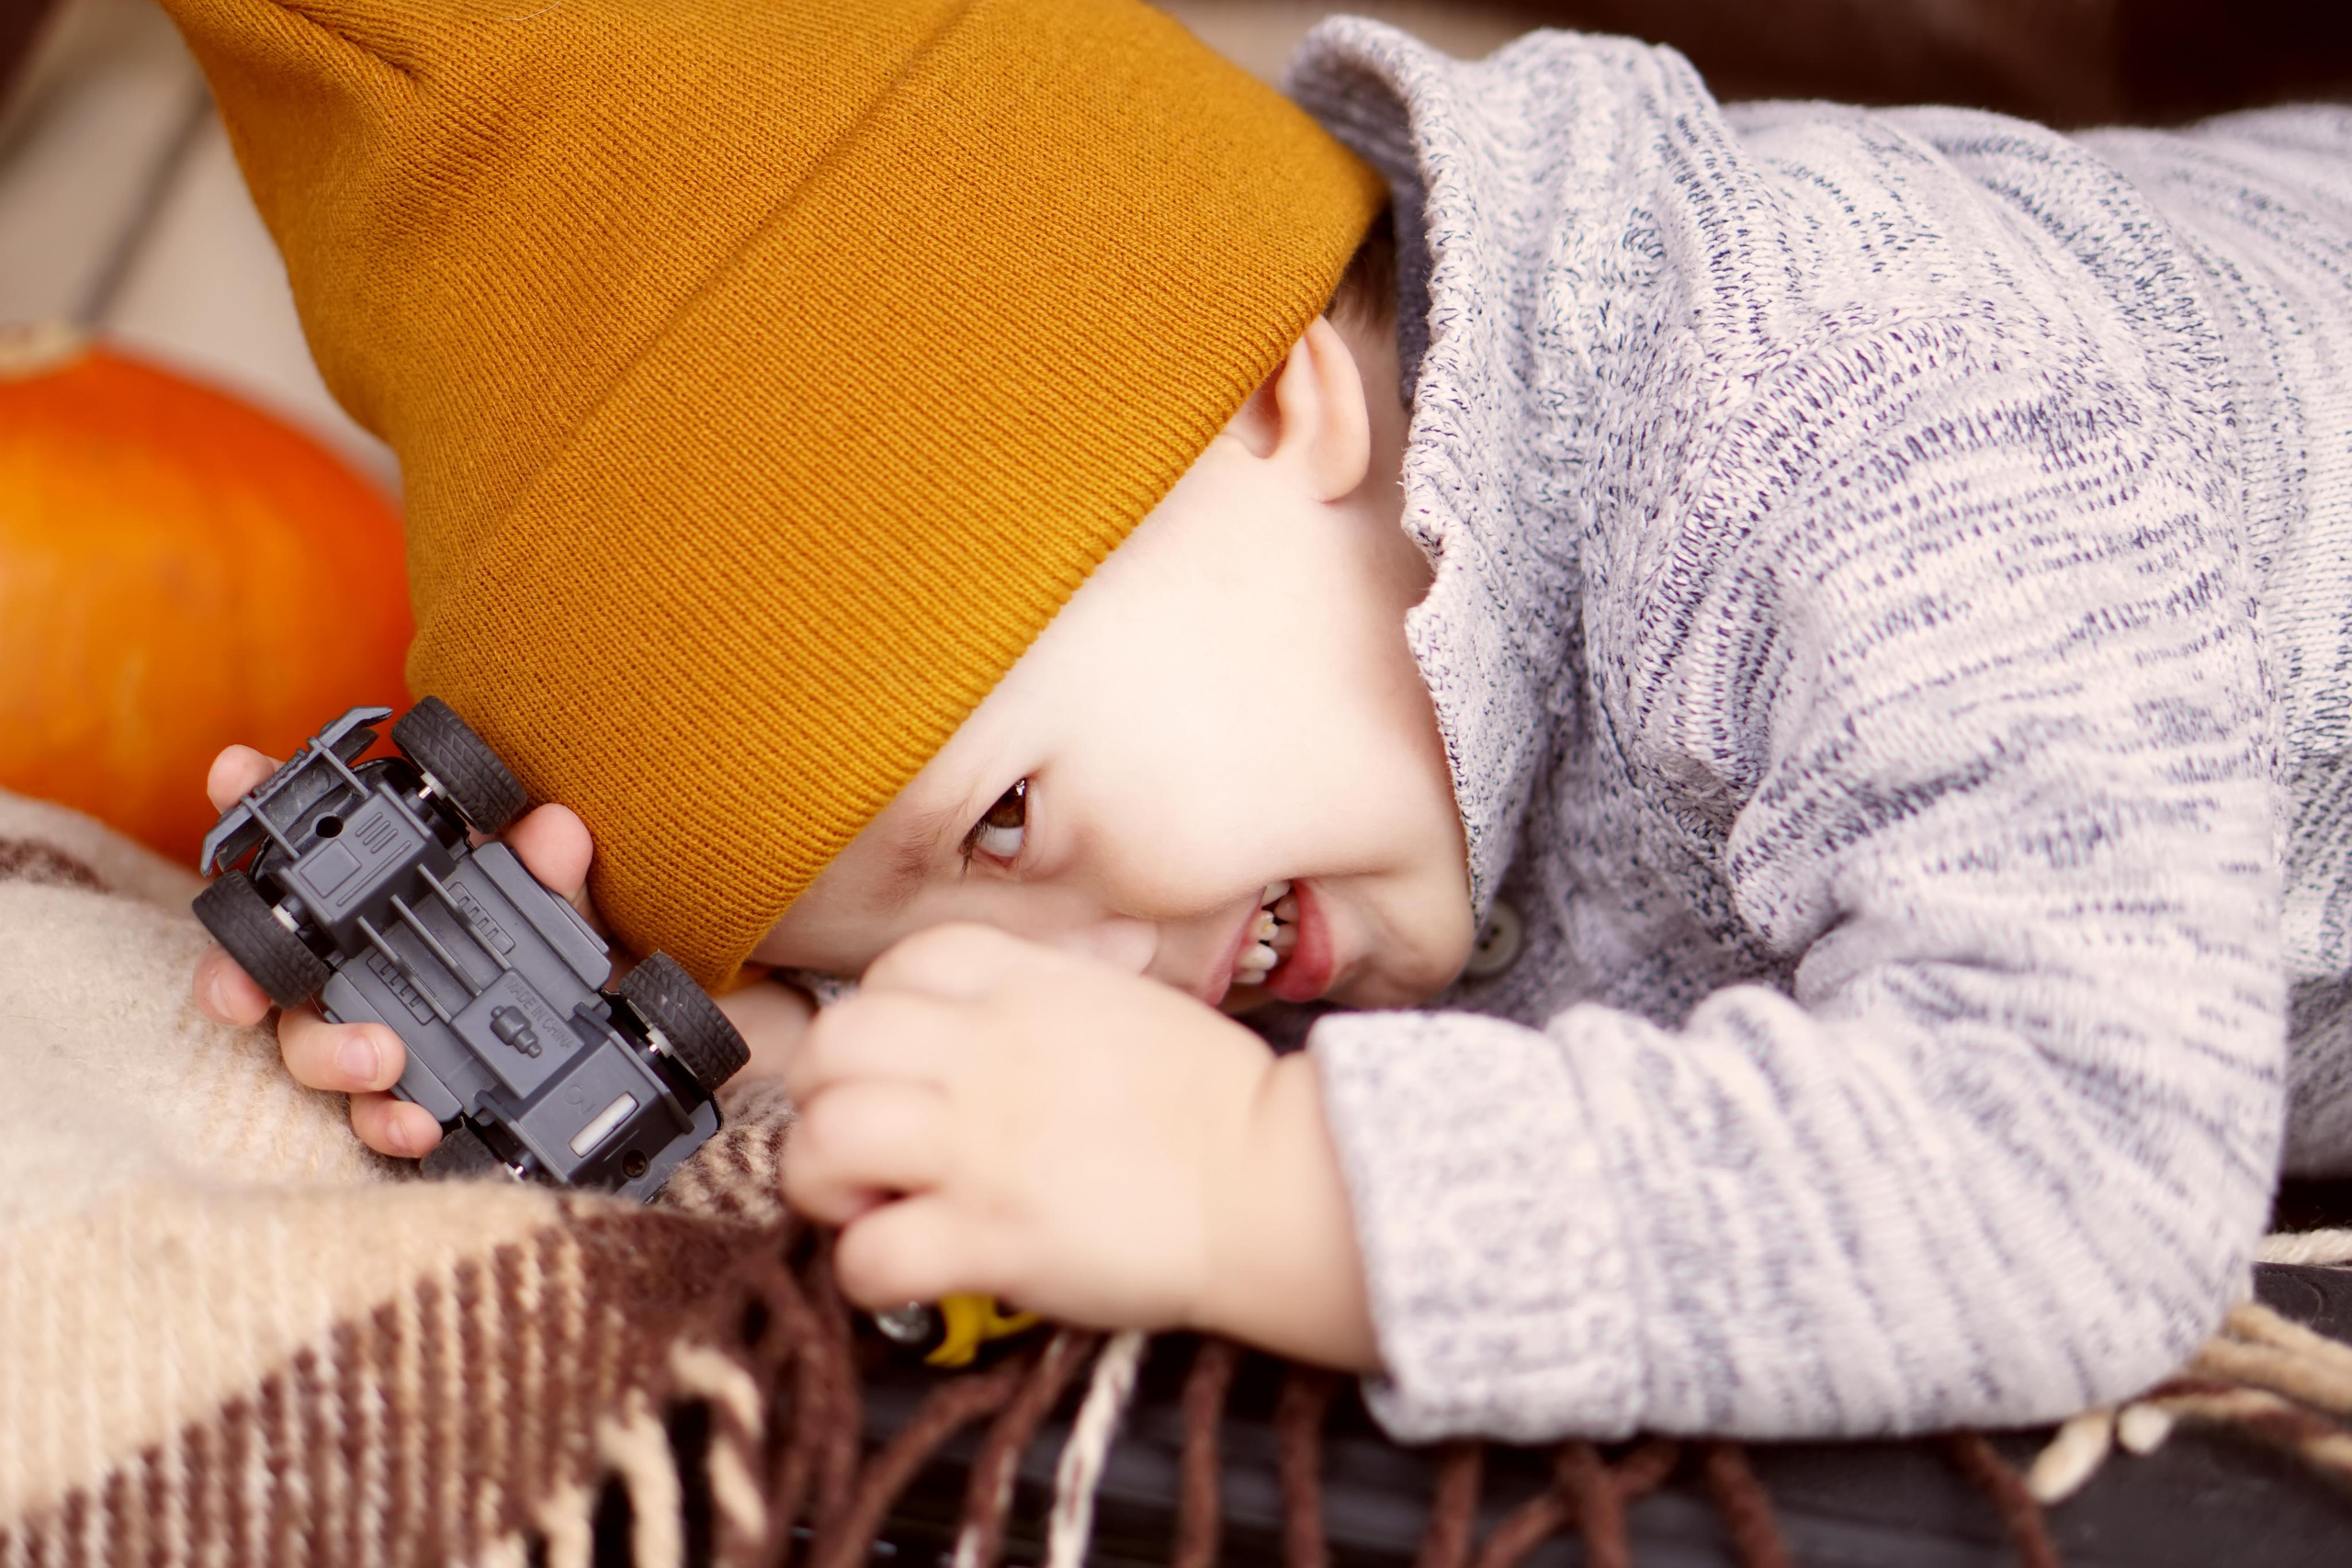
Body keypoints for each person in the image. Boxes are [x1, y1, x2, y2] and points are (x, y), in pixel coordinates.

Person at [169, 0, 2352, 1440]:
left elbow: (2076, 1154)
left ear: (1278, 398)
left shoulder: (1855, 399)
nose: (1095, 993)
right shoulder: (1293, 700)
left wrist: (1255, 1180)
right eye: (903, 947)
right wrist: (690, 1041)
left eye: (1007, 827)